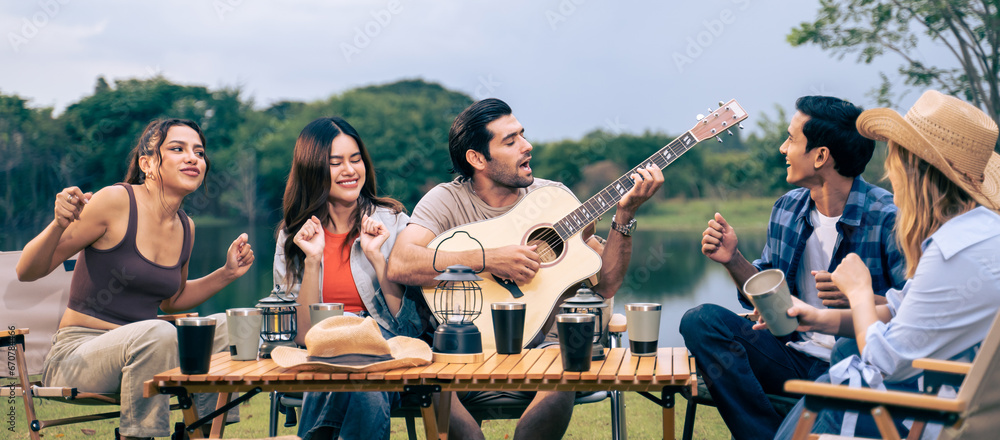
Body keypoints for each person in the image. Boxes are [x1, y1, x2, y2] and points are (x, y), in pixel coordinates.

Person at [386, 98, 663, 440]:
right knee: (435, 386)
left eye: (522, 135)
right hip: (466, 348)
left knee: (562, 376)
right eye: (510, 141)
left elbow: (605, 285)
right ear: (477, 159)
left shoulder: (554, 199)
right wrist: (490, 258)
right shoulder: (446, 200)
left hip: (546, 347)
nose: (527, 146)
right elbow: (400, 263)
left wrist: (624, 215)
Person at [772, 89, 1000, 438]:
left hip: (931, 418)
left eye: (893, 166)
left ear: (914, 171)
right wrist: (817, 317)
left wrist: (860, 291)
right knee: (844, 358)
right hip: (966, 403)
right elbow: (904, 306)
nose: (890, 178)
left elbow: (885, 361)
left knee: (833, 385)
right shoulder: (984, 235)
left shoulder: (951, 252)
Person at [678, 96, 907, 440]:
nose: (783, 148)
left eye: (792, 139)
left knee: (846, 357)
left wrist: (860, 300)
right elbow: (767, 301)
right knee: (701, 321)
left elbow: (914, 312)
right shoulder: (787, 208)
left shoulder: (890, 218)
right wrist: (734, 259)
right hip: (792, 354)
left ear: (820, 156)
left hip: (855, 364)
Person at [15, 118, 255, 440]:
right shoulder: (115, 202)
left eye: (198, 152)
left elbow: (173, 300)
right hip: (77, 354)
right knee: (157, 332)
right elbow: (26, 271)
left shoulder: (186, 227)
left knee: (226, 328)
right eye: (177, 149)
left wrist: (226, 273)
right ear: (147, 163)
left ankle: (202, 433)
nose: (192, 158)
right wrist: (58, 224)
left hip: (149, 350)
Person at [273, 117, 427, 440]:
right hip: (325, 351)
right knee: (355, 381)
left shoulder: (394, 222)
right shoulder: (294, 236)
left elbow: (410, 327)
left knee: (359, 376)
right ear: (313, 169)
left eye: (355, 159)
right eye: (335, 162)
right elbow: (303, 335)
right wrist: (313, 260)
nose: (350, 170)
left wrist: (378, 258)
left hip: (385, 349)